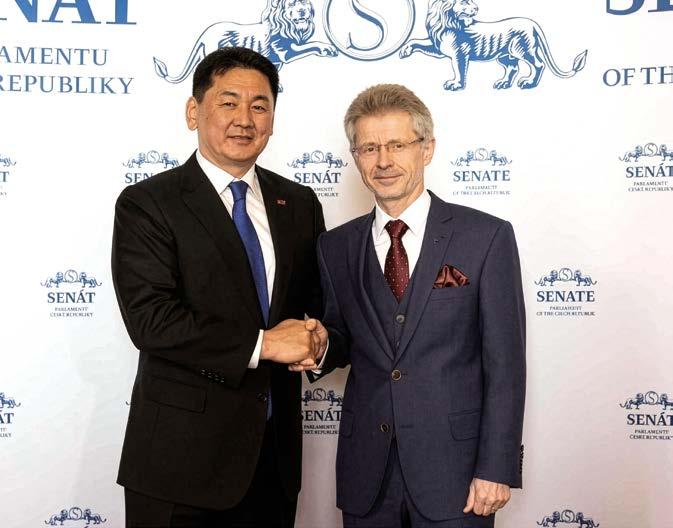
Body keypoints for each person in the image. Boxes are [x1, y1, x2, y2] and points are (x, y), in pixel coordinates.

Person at [111, 47, 326, 528]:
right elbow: (151, 320)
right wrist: (265, 344)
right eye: (229, 102)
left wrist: (320, 340)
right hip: (178, 465)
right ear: (194, 111)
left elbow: (319, 309)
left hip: (273, 463)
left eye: (259, 105)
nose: (244, 119)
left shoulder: (299, 203)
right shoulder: (148, 203)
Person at [307, 84, 526, 527]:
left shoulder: (486, 237)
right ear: (355, 158)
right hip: (366, 474)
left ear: (427, 149)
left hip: (458, 475)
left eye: (397, 145)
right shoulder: (335, 246)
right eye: (369, 148)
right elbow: (342, 339)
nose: (383, 161)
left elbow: (505, 364)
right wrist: (319, 346)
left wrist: (496, 467)